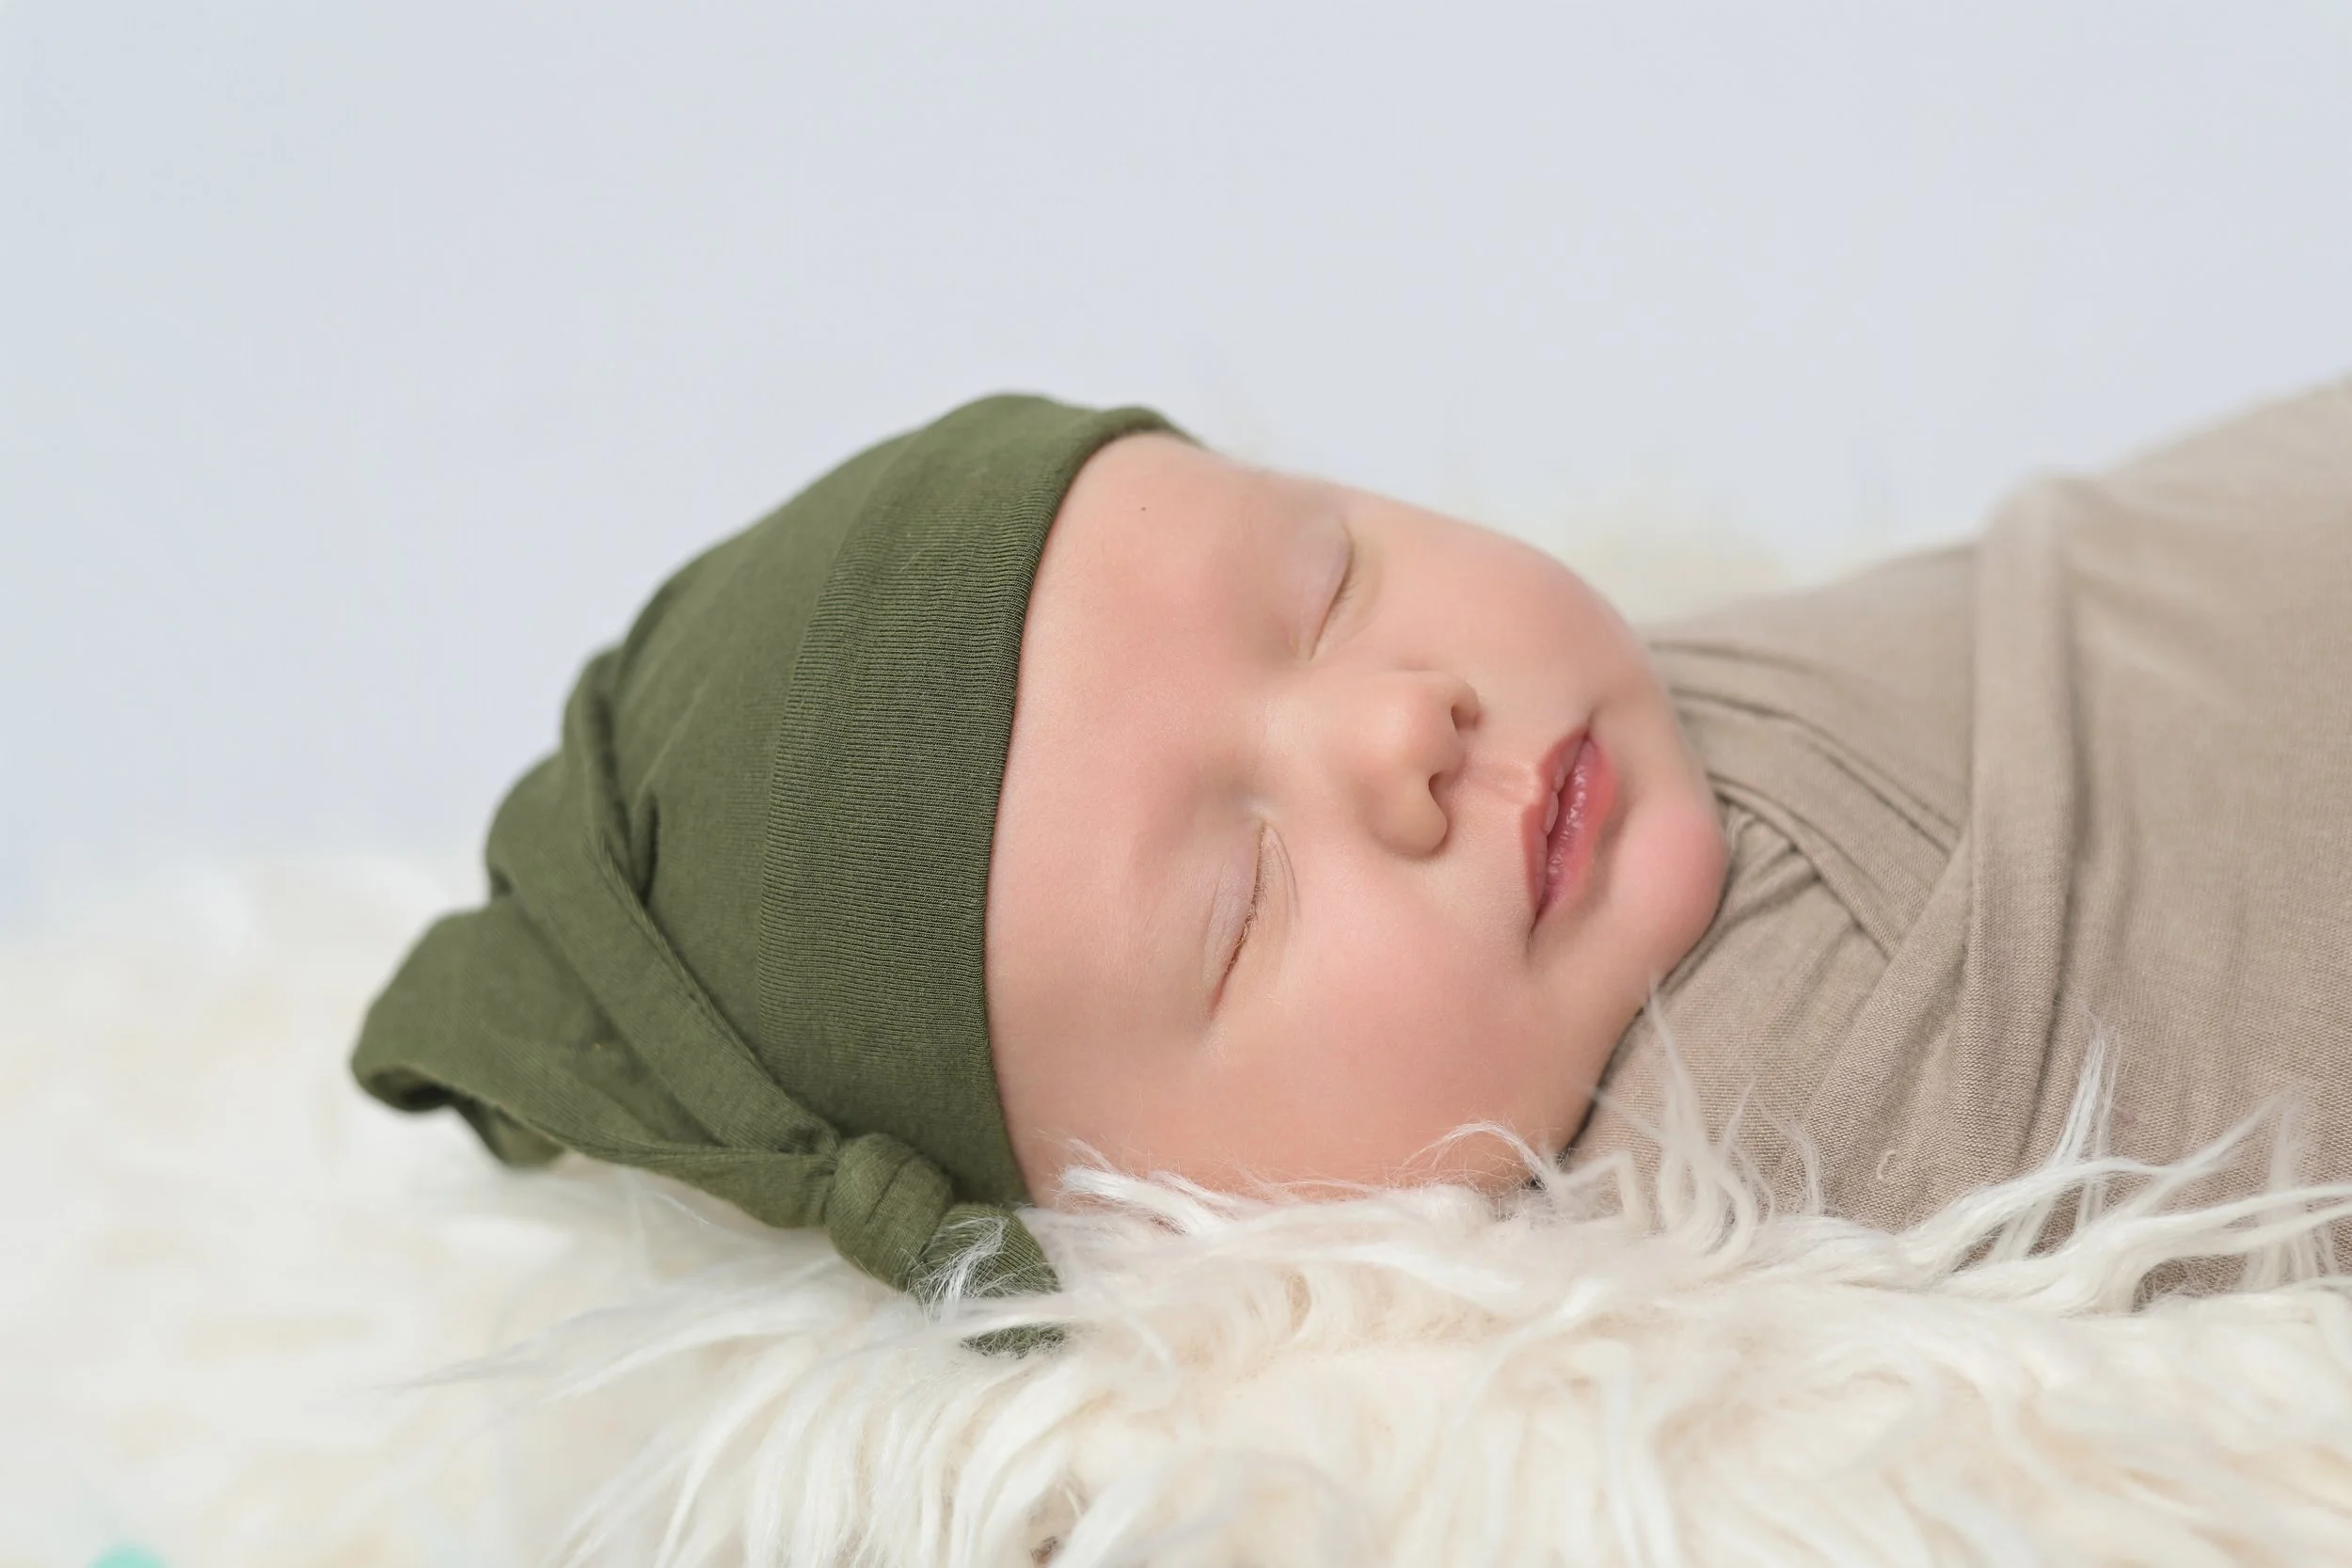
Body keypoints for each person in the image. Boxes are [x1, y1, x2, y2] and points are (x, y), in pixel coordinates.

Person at [353, 377, 2352, 1300]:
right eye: (1241, 900)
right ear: (1144, 1224)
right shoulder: (1790, 1174)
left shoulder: (1655, 721)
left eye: (1322, 579)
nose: (1404, 720)